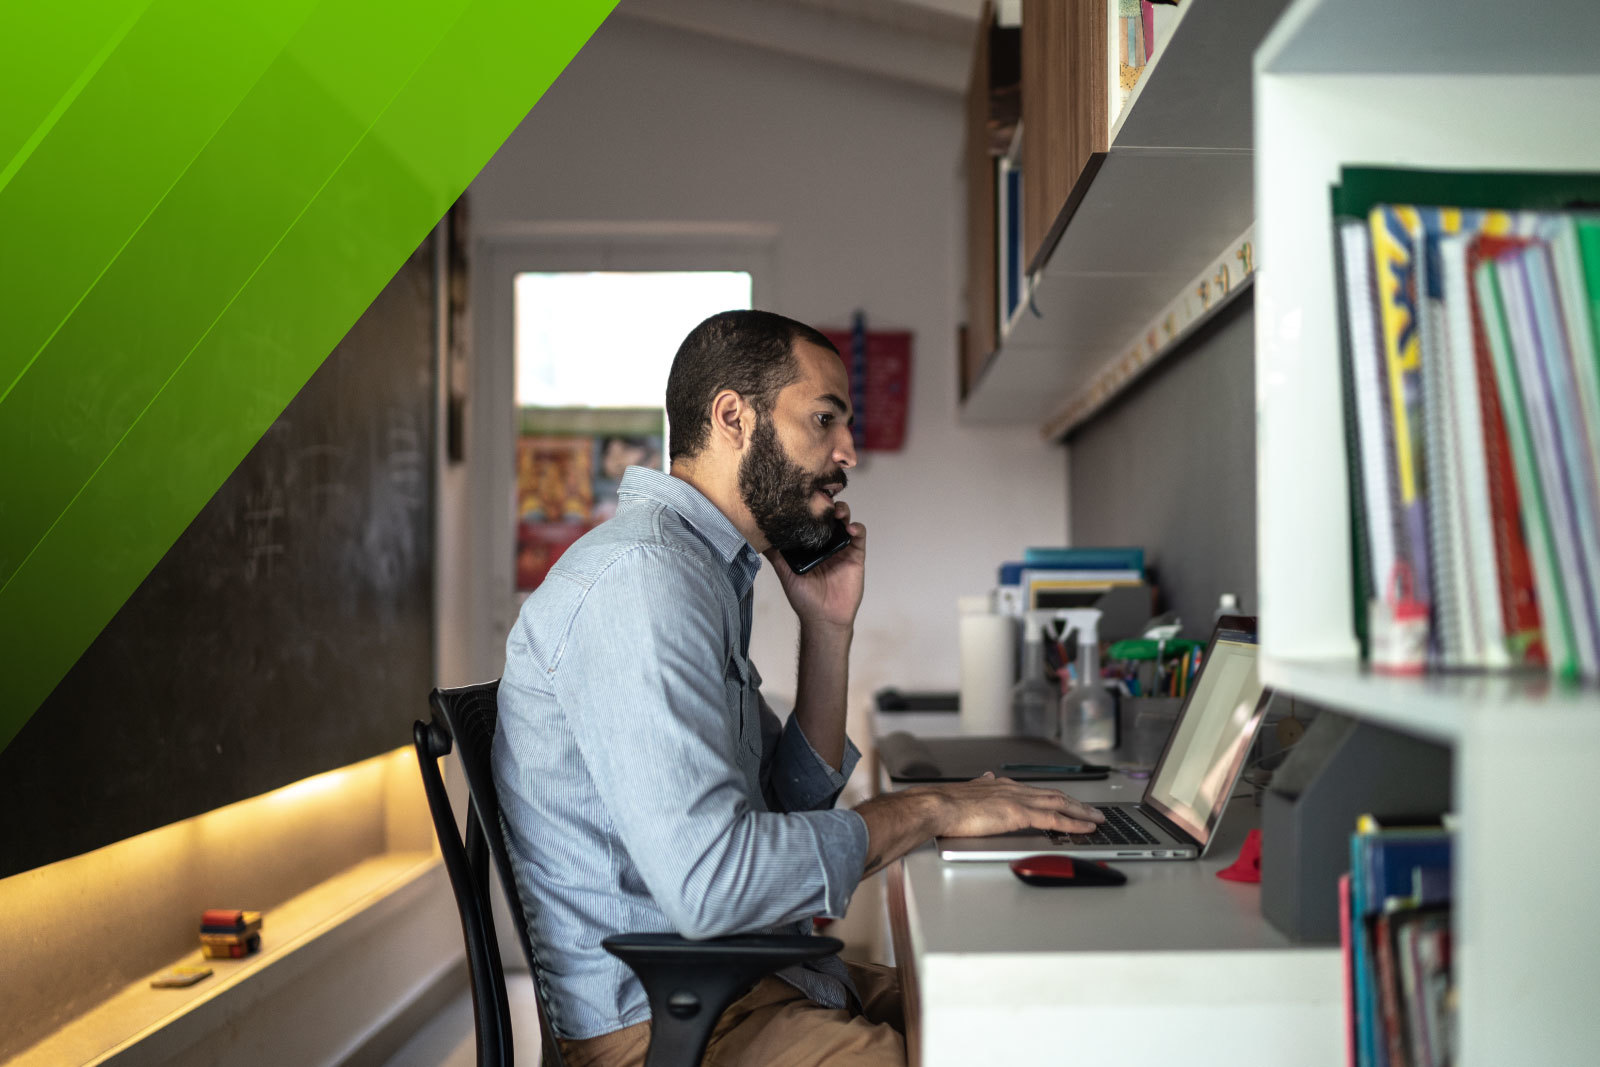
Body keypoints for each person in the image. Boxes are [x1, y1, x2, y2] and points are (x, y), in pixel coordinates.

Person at [493, 310, 1104, 1066]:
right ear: (732, 417)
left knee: (1034, 1016)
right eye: (824, 420)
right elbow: (714, 883)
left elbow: (786, 810)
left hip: (744, 981)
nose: (847, 451)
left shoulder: (701, 571)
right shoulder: (642, 583)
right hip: (671, 1026)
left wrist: (828, 630)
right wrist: (927, 806)